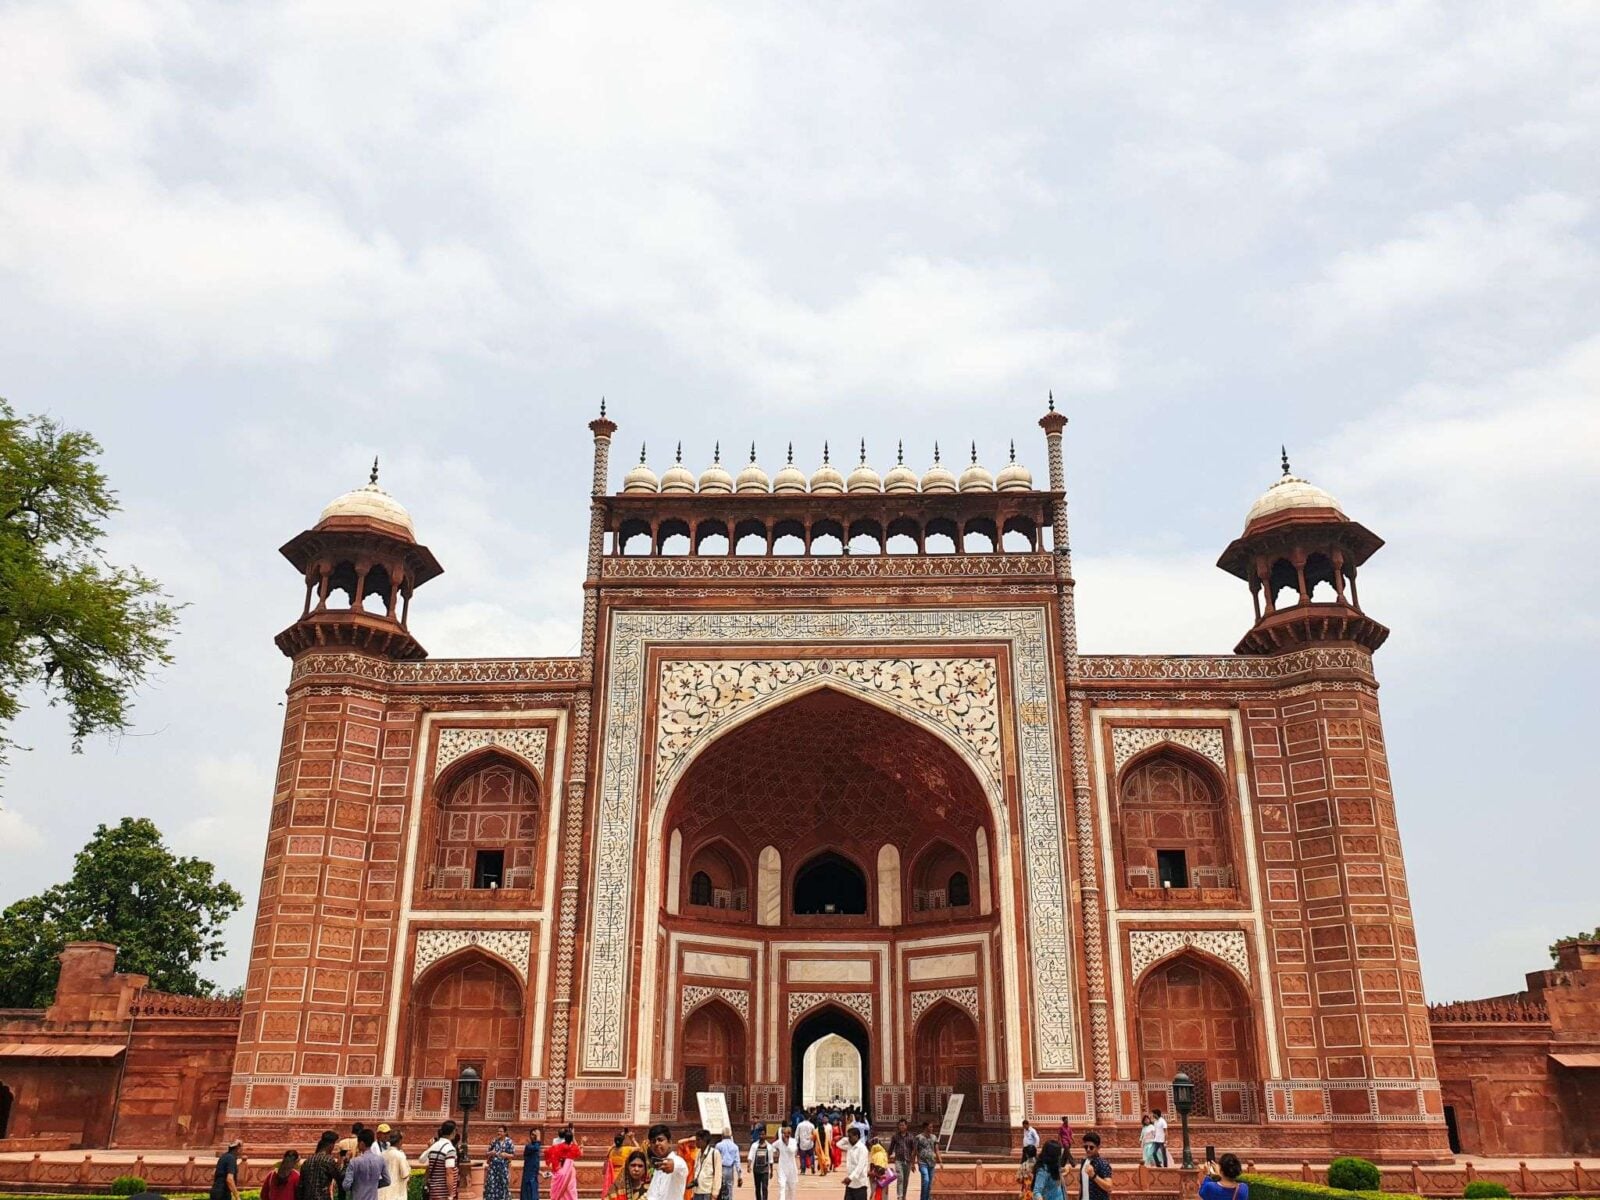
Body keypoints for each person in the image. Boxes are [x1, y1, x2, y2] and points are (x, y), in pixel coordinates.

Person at [344, 1128, 391, 1200]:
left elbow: (346, 1185)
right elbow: (387, 1181)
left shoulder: (354, 1162)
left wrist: (357, 1187)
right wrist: (374, 1184)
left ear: (362, 1143)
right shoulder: (380, 1160)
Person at [647, 1125, 689, 1200]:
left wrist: (673, 1165)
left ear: (669, 1142)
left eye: (660, 1140)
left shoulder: (678, 1161)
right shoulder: (658, 1165)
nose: (656, 1143)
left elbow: (680, 1166)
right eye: (653, 1141)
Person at [300, 1132, 345, 1200]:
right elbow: (340, 1177)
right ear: (331, 1145)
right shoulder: (328, 1160)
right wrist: (346, 1163)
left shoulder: (307, 1162)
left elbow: (301, 1186)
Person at [423, 1121, 459, 1200]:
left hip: (433, 1190)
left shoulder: (433, 1146)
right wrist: (451, 1194)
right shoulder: (450, 1149)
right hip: (444, 1192)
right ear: (453, 1132)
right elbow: (449, 1172)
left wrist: (425, 1185)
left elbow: (428, 1167)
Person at [1077, 1133, 1112, 1200]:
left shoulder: (1102, 1164)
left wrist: (1093, 1175)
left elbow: (1109, 1187)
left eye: (1091, 1147)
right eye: (1086, 1147)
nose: (1088, 1149)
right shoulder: (1084, 1161)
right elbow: (1082, 1185)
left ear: (1098, 1148)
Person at [485, 1126, 515, 1200]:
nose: (499, 1133)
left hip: (503, 1167)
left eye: (501, 1131)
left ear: (505, 1133)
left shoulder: (509, 1142)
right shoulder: (494, 1141)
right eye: (498, 1131)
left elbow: (513, 1155)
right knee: (491, 1183)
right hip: (493, 1167)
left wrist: (506, 1155)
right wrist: (491, 1153)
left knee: (503, 1183)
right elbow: (487, 1152)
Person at [912, 1123, 940, 1200]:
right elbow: (914, 1151)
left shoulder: (934, 1137)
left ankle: (927, 1198)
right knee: (926, 1180)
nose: (932, 1128)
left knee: (929, 1183)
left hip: (932, 1163)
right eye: (930, 1127)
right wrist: (913, 1164)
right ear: (925, 1127)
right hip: (922, 1163)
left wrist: (940, 1161)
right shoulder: (918, 1137)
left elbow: (937, 1150)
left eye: (932, 1127)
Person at [888, 1120, 914, 1200]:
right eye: (900, 1125)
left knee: (905, 1180)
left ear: (906, 1126)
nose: (901, 1127)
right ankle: (899, 1196)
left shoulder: (911, 1137)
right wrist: (887, 1157)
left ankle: (904, 1196)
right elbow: (891, 1148)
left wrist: (913, 1163)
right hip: (898, 1160)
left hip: (908, 1161)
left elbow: (914, 1150)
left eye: (903, 1125)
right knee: (900, 1178)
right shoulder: (895, 1137)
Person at [772, 1126, 799, 1200]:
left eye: (786, 1134)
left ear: (789, 1134)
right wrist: (776, 1151)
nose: (784, 1136)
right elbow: (772, 1146)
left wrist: (787, 1143)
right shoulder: (780, 1142)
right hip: (782, 1167)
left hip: (791, 1168)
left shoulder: (793, 1141)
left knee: (791, 1188)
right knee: (782, 1185)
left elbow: (793, 1150)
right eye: (783, 1134)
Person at [843, 1127, 869, 1200]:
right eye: (848, 1137)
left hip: (860, 1185)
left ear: (856, 1136)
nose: (849, 1139)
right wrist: (845, 1138)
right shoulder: (850, 1147)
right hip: (850, 1185)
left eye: (850, 1137)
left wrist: (850, 1178)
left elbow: (860, 1167)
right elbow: (838, 1144)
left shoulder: (862, 1149)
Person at [381, 1133, 409, 1200]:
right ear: (400, 1141)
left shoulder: (382, 1154)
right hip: (396, 1194)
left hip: (383, 1193)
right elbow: (404, 1175)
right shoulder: (400, 1155)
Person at [715, 1129, 741, 1200]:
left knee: (719, 1186)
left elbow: (715, 1159)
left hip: (721, 1168)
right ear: (731, 1135)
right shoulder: (735, 1146)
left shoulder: (718, 1145)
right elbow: (737, 1162)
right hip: (730, 1169)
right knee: (729, 1187)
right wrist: (739, 1176)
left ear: (722, 1135)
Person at [747, 1132, 774, 1200]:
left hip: (765, 1170)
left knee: (764, 1187)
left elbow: (771, 1159)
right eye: (760, 1134)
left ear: (765, 1135)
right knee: (757, 1187)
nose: (761, 1136)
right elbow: (750, 1156)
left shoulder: (769, 1147)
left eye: (763, 1134)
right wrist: (749, 1165)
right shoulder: (754, 1145)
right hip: (756, 1170)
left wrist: (771, 1171)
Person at [521, 1130, 544, 1200]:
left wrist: (540, 1172)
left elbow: (534, 1163)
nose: (534, 1136)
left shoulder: (536, 1147)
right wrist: (539, 1138)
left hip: (534, 1174)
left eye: (535, 1135)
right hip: (528, 1175)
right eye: (533, 1134)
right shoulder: (529, 1146)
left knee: (534, 1193)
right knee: (528, 1194)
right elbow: (536, 1148)